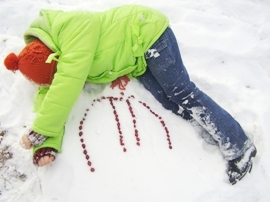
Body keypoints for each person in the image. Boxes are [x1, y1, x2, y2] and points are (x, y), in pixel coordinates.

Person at [3, 5, 256, 185]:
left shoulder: (72, 29)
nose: (60, 75)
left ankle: (240, 145)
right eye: (54, 76)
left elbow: (67, 83)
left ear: (54, 56)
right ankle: (210, 128)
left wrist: (41, 127)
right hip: (137, 59)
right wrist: (45, 143)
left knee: (181, 91)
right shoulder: (62, 60)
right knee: (167, 99)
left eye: (58, 70)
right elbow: (52, 96)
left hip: (148, 33)